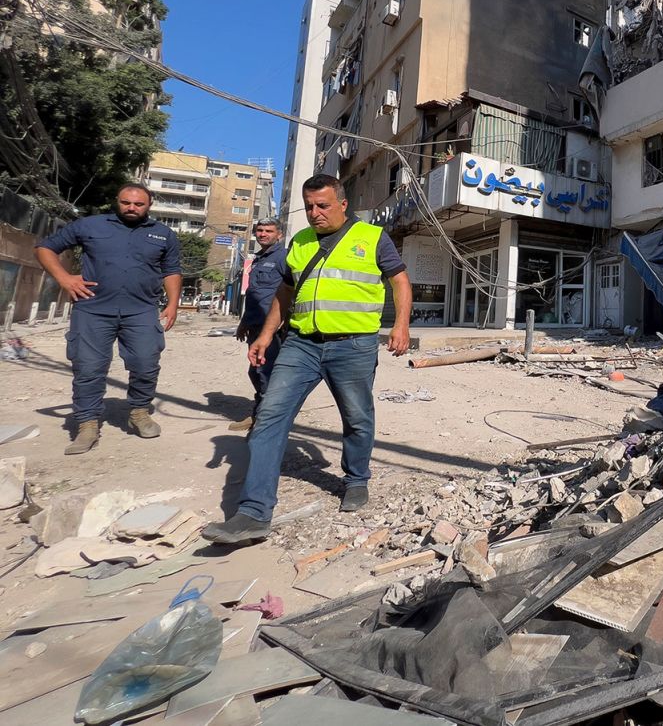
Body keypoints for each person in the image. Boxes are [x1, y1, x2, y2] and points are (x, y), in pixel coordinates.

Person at [203, 174, 412, 544]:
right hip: (301, 344)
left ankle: (356, 479)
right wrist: (266, 334)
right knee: (269, 416)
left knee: (357, 417)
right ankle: (253, 513)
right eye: (310, 206)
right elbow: (284, 293)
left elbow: (399, 281)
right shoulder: (298, 243)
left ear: (343, 204)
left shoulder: (372, 238)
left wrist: (401, 326)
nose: (315, 213)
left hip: (354, 345)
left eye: (323, 205)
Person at [34, 183, 181, 454]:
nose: (132, 208)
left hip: (141, 310)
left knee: (145, 362)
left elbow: (171, 271)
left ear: (149, 206)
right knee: (89, 368)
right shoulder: (90, 226)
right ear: (118, 201)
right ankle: (87, 424)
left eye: (138, 204)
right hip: (92, 310)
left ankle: (139, 412)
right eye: (126, 202)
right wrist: (64, 279)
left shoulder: (163, 234)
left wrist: (173, 304)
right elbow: (45, 248)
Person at [229, 218, 288, 433]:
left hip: (271, 330)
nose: (263, 234)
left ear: (279, 234)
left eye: (268, 231)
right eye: (260, 230)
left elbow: (291, 292)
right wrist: (244, 322)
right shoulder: (258, 259)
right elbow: (255, 294)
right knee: (256, 372)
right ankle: (260, 415)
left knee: (266, 374)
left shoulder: (284, 257)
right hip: (255, 326)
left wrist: (281, 325)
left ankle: (265, 423)